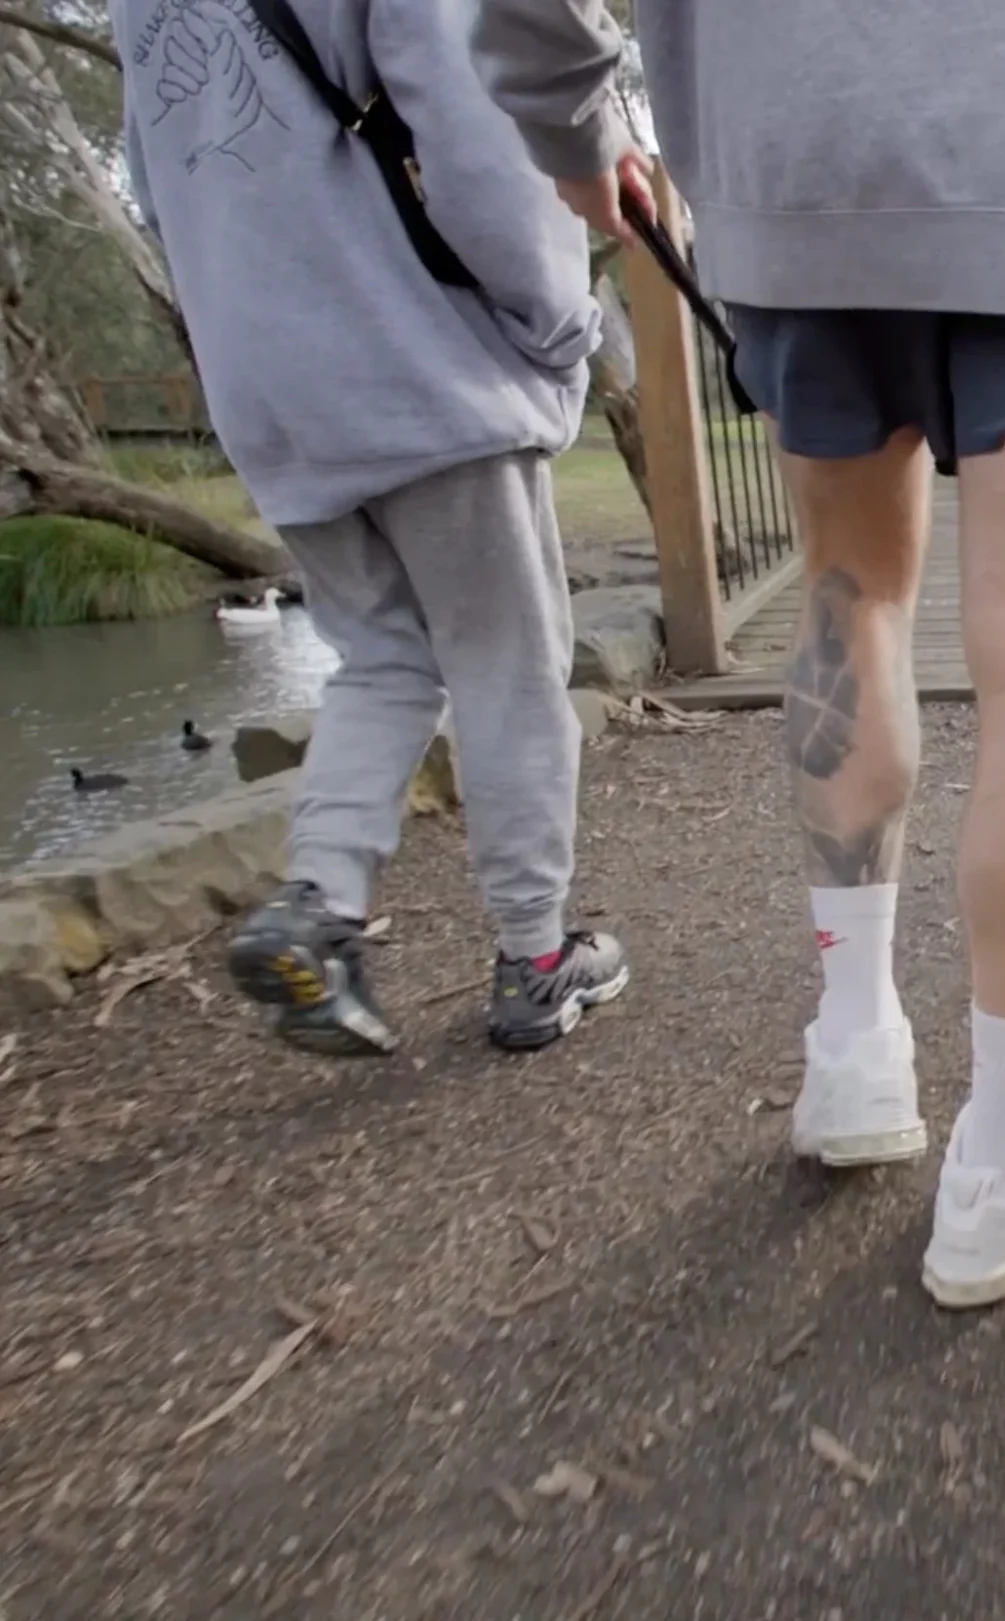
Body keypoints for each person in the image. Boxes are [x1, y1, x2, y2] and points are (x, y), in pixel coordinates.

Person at [470, 0, 1005, 1306]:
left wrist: (565, 109)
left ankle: (854, 1046)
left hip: (805, 150)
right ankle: (996, 1154)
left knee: (844, 596)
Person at [112, 0, 628, 1056]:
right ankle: (535, 955)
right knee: (508, 665)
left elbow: (154, 185)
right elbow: (471, 121)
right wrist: (561, 316)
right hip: (414, 356)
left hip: (269, 385)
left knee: (381, 655)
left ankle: (318, 904)